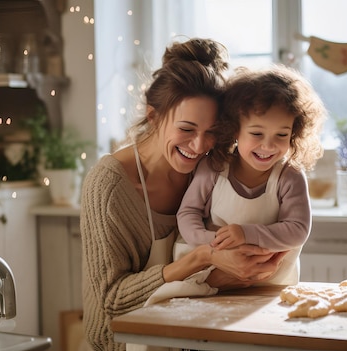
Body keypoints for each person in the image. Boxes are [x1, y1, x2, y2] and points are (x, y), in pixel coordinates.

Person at [80, 38, 286, 351]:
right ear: (154, 117)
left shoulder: (211, 168)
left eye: (211, 132)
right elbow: (113, 299)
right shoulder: (109, 186)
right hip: (122, 342)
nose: (199, 145)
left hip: (185, 331)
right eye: (187, 129)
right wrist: (205, 257)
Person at [177, 64, 328, 285]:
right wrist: (215, 243)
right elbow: (188, 213)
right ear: (235, 129)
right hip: (212, 278)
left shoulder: (290, 176)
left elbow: (298, 230)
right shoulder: (214, 166)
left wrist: (245, 234)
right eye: (257, 133)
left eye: (281, 134)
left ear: (294, 133)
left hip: (270, 284)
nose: (268, 145)